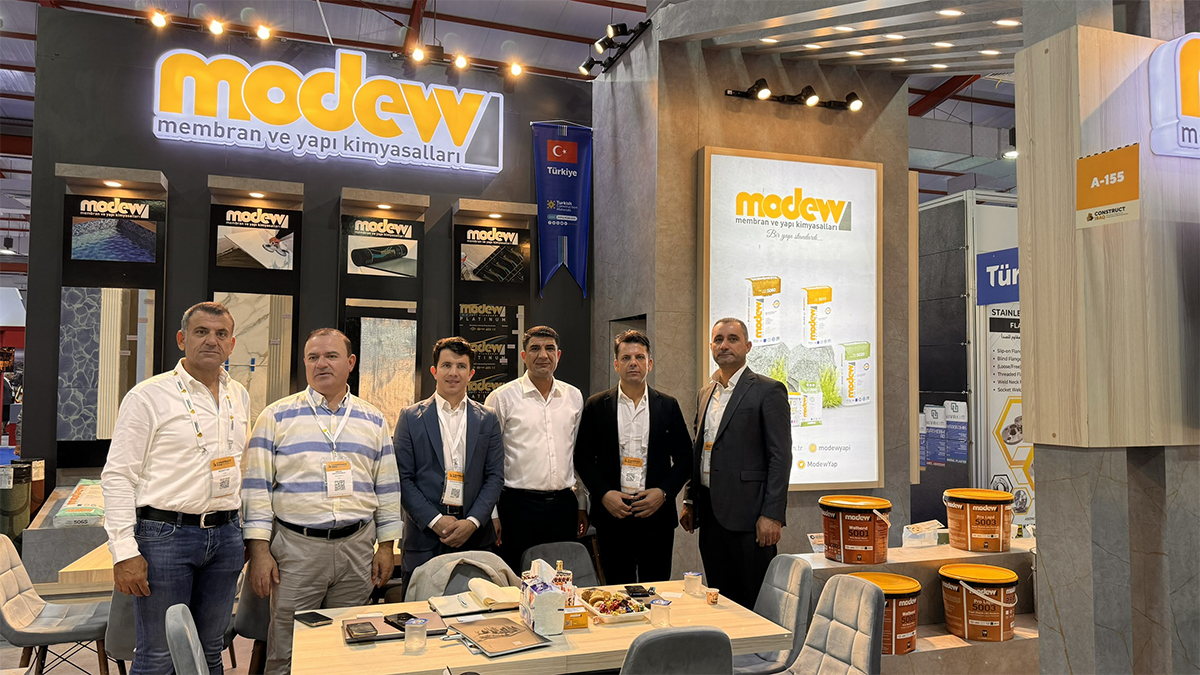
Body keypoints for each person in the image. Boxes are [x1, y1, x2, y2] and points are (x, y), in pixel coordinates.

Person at [101, 302, 251, 675]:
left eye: (221, 334)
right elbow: (118, 476)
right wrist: (124, 552)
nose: (212, 341)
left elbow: (239, 467)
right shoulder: (148, 396)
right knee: (159, 654)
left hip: (226, 535)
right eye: (201, 332)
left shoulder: (239, 395)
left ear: (232, 344)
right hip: (165, 536)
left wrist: (243, 531)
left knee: (211, 649)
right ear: (182, 339)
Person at [241, 328, 401, 675]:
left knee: (348, 645)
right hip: (297, 549)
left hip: (357, 549)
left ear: (351, 363)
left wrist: (386, 546)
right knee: (288, 649)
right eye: (313, 357)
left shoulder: (373, 419)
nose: (321, 364)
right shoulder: (276, 416)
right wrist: (259, 551)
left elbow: (388, 487)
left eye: (331, 356)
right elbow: (255, 489)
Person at [680, 317, 790, 609]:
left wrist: (772, 514)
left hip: (750, 519)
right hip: (710, 516)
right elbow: (699, 450)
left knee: (755, 602)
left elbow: (780, 457)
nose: (724, 345)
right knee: (722, 600)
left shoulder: (768, 390)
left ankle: (761, 644)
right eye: (718, 340)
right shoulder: (706, 393)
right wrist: (690, 500)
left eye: (732, 339)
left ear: (748, 346)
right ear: (711, 346)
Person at [574, 330, 692, 584]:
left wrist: (663, 493)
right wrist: (604, 494)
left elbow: (685, 459)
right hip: (613, 515)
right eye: (626, 358)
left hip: (655, 515)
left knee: (656, 589)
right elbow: (582, 457)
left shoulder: (668, 405)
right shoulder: (597, 405)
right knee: (616, 591)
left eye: (640, 357)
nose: (633, 363)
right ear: (616, 364)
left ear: (650, 363)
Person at [394, 337, 505, 584]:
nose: (453, 372)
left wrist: (473, 522)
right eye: (446, 365)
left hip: (475, 538)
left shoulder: (488, 418)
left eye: (461, 366)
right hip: (425, 538)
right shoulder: (410, 418)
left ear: (471, 374)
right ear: (434, 371)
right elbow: (402, 478)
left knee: (478, 608)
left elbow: (495, 476)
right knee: (421, 607)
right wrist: (435, 521)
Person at [485, 325, 588, 572]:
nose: (543, 355)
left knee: (561, 580)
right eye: (535, 349)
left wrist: (582, 503)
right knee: (517, 579)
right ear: (524, 356)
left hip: (563, 506)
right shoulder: (502, 398)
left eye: (549, 348)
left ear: (558, 355)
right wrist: (493, 514)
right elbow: (487, 460)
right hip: (517, 507)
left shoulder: (573, 397)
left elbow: (576, 454)